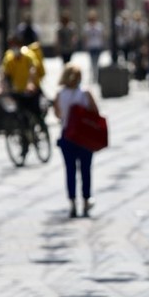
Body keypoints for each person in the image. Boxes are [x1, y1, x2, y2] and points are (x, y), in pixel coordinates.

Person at [52, 63, 99, 218]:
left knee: (70, 170)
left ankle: (72, 201)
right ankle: (86, 200)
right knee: (85, 169)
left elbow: (58, 115)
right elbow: (96, 112)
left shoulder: (59, 94)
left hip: (67, 136)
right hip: (84, 137)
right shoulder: (85, 93)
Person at [83, 9, 104, 83]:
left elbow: (101, 36)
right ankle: (93, 76)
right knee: (92, 62)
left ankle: (97, 76)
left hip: (97, 46)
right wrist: (86, 46)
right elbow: (85, 37)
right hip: (91, 46)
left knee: (97, 62)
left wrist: (102, 44)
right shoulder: (87, 27)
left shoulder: (99, 26)